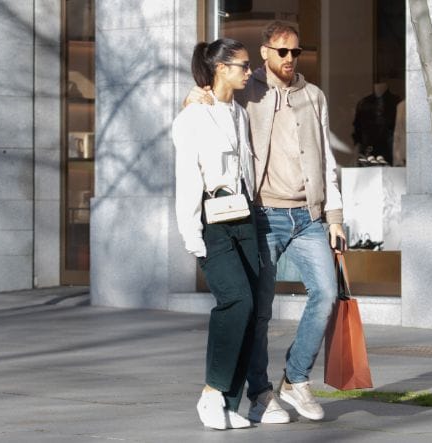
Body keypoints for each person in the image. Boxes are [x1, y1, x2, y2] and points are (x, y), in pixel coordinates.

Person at [185, 21, 346, 423]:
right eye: (282, 52)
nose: (290, 59)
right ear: (264, 53)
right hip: (262, 214)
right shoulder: (246, 91)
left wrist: (336, 216)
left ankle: (296, 378)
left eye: (296, 52)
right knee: (259, 310)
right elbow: (212, 108)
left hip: (308, 216)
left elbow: (327, 158)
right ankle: (260, 393)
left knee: (325, 294)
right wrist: (195, 96)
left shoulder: (314, 96)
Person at [172, 38, 258, 430]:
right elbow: (187, 178)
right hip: (213, 221)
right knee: (235, 301)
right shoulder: (193, 117)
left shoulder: (238, 113)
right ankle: (211, 393)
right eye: (242, 65)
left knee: (252, 308)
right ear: (220, 67)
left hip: (245, 216)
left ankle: (229, 402)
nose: (248, 71)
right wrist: (192, 235)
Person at [352, 82, 401, 165]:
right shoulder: (364, 103)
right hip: (367, 149)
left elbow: (398, 129)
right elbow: (357, 128)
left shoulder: (396, 102)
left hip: (389, 149)